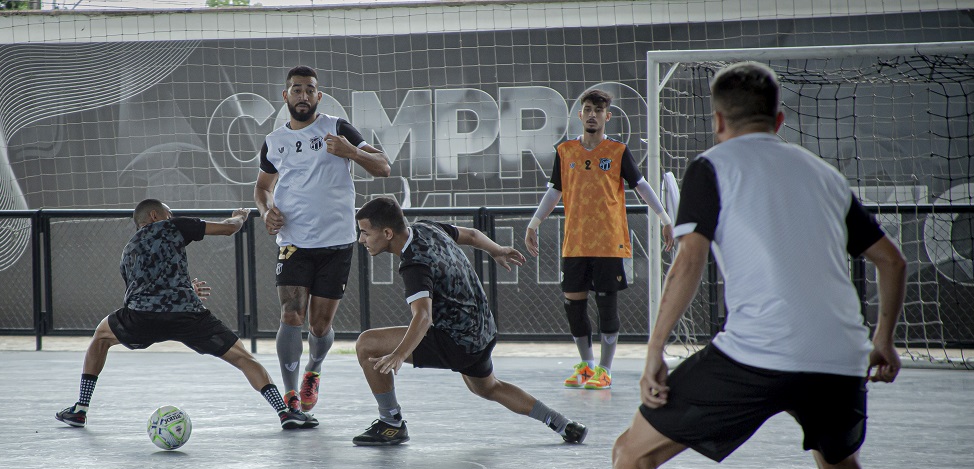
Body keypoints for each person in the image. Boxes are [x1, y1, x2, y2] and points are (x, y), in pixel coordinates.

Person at [547, 62, 907, 469]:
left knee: (631, 454)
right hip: (840, 355)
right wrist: (882, 339)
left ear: (717, 121)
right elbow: (892, 261)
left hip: (756, 353)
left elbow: (689, 260)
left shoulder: (712, 167)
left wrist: (655, 350)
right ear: (780, 118)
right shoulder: (823, 174)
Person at [352, 196, 588, 446]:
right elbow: (473, 235)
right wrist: (497, 250)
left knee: (367, 344)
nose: (361, 240)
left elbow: (423, 316)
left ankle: (391, 423)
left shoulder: (414, 264)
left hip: (457, 340)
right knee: (488, 388)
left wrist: (399, 355)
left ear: (387, 232)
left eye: (365, 233)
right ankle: (563, 424)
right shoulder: (427, 227)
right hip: (483, 329)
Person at [56, 199, 310, 430]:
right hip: (188, 316)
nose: (172, 216)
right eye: (169, 213)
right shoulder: (172, 226)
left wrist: (185, 289)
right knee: (244, 358)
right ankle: (284, 412)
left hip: (142, 317)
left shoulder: (127, 251)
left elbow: (145, 289)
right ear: (155, 215)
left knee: (100, 337)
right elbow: (228, 228)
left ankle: (80, 409)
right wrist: (240, 216)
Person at [254, 65, 391, 421]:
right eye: (296, 90)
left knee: (318, 326)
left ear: (319, 95)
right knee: (290, 314)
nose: (303, 95)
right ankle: (290, 399)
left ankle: (313, 370)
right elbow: (262, 188)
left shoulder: (337, 128)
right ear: (286, 96)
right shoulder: (274, 141)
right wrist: (267, 210)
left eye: (309, 90)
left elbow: (384, 167)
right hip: (294, 242)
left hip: (337, 244)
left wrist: (352, 152)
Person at [525, 89, 673, 392]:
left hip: (609, 242)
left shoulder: (617, 151)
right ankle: (586, 365)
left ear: (608, 116)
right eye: (588, 109)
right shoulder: (565, 151)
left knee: (607, 306)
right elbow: (555, 190)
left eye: (599, 110)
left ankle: (605, 369)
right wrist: (534, 222)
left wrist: (665, 218)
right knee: (573, 305)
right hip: (575, 243)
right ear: (580, 115)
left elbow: (641, 186)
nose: (593, 114)